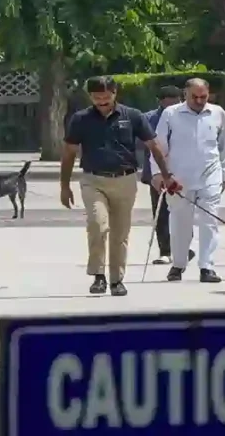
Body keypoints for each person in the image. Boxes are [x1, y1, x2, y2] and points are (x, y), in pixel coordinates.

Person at [61, 76, 176, 297]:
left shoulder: (132, 116)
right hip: (93, 180)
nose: (102, 101)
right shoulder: (80, 119)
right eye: (97, 97)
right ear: (90, 96)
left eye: (106, 96)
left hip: (125, 180)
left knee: (120, 233)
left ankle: (117, 280)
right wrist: (64, 186)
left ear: (115, 93)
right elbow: (68, 153)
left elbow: (154, 146)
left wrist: (165, 174)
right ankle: (98, 276)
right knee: (97, 225)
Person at [150, 78, 225, 283]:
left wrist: (223, 174)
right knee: (179, 222)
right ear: (185, 94)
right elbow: (159, 146)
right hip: (178, 179)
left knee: (209, 221)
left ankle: (207, 267)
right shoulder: (171, 114)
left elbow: (223, 147)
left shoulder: (218, 113)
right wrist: (158, 174)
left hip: (210, 176)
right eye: (195, 97)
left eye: (203, 97)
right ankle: (178, 264)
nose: (199, 101)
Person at [140, 85, 195, 265]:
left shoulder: (188, 116)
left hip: (183, 171)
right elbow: (144, 144)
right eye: (168, 103)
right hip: (158, 171)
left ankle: (184, 247)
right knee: (161, 212)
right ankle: (165, 250)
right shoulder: (149, 118)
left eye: (176, 102)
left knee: (184, 211)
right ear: (160, 102)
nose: (172, 107)